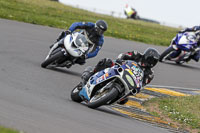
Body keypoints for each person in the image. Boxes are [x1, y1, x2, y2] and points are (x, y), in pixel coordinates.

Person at [81, 48, 160, 103]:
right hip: (119, 68)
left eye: (154, 61)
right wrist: (120, 60)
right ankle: (92, 73)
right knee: (106, 62)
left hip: (128, 81)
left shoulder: (150, 74)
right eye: (150, 60)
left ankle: (107, 96)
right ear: (146, 56)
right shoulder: (136, 54)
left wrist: (138, 88)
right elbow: (123, 55)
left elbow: (142, 84)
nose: (151, 63)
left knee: (124, 101)